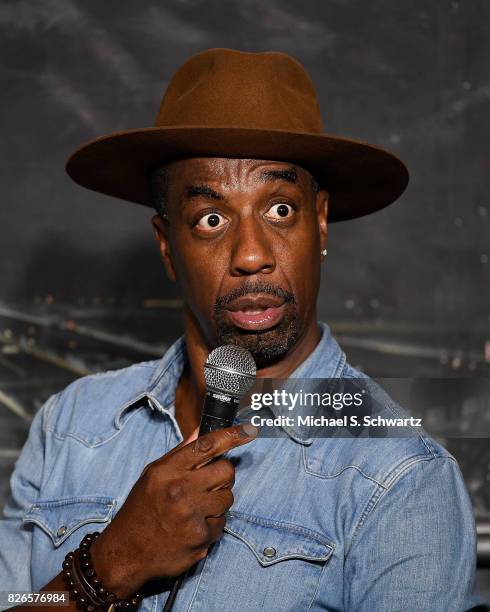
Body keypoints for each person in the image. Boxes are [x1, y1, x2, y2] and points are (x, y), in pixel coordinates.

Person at [0, 48, 485, 612]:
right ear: (166, 245)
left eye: (280, 211)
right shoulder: (69, 427)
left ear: (320, 221)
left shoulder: (401, 478)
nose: (251, 254)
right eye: (211, 218)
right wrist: (108, 565)